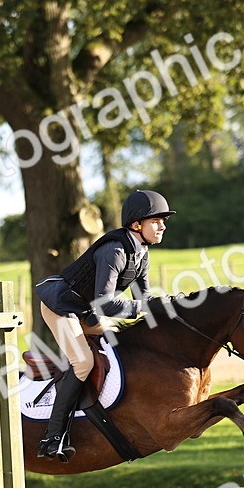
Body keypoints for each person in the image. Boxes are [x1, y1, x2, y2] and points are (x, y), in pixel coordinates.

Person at [32, 189, 175, 461]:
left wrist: (170, 309)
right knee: (83, 362)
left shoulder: (141, 252)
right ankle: (53, 435)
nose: (162, 226)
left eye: (163, 221)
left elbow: (144, 300)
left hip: (84, 310)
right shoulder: (115, 250)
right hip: (60, 306)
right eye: (156, 220)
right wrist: (146, 307)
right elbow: (105, 305)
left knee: (120, 340)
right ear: (136, 224)